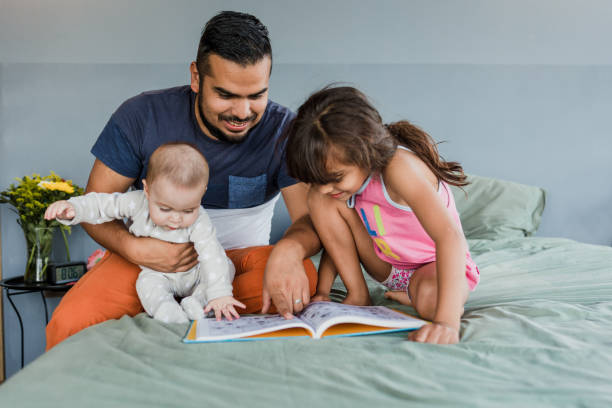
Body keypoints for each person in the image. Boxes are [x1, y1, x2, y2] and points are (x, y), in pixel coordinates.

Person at [45, 11, 321, 349]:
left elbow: (310, 219)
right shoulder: (141, 117)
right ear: (196, 77)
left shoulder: (284, 130)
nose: (243, 112)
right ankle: (175, 307)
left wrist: (288, 253)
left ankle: (196, 308)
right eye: (226, 95)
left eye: (256, 95)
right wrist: (136, 248)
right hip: (148, 260)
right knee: (69, 322)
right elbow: (98, 202)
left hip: (237, 262)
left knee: (304, 274)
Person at [284, 86, 480, 344]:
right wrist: (323, 290)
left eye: (334, 179)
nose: (324, 188)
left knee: (433, 302)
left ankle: (423, 296)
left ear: (364, 152)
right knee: (318, 199)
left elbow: (450, 237)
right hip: (388, 266)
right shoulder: (338, 186)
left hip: (434, 264)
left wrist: (447, 322)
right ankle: (358, 294)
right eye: (317, 181)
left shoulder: (399, 168)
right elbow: (335, 237)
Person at [45, 143, 245, 323]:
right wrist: (74, 209)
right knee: (147, 285)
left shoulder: (200, 219)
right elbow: (102, 204)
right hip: (157, 273)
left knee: (225, 266)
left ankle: (199, 303)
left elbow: (211, 254)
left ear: (202, 193)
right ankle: (168, 312)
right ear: (147, 190)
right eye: (165, 209)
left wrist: (220, 294)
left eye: (187, 210)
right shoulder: (137, 202)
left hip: (195, 272)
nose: (176, 219)